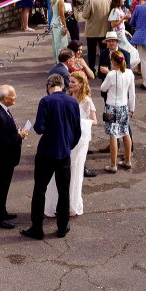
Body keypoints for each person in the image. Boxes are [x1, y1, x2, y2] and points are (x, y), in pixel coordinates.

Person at [22, 75, 82, 240]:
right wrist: (68, 145)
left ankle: (37, 228)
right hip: (64, 153)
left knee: (40, 190)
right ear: (63, 85)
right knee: (64, 192)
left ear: (49, 85)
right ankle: (62, 227)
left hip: (46, 153)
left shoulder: (46, 101)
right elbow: (77, 131)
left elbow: (39, 128)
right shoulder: (72, 102)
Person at [45, 71, 96, 218]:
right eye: (70, 81)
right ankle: (56, 204)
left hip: (80, 140)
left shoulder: (86, 100)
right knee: (61, 172)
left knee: (75, 171)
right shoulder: (67, 97)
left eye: (73, 82)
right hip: (67, 137)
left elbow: (94, 120)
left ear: (81, 83)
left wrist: (78, 123)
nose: (70, 84)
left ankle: (71, 205)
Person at [0, 85, 29, 229]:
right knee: (1, 188)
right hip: (3, 158)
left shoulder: (2, 109)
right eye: (14, 96)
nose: (16, 98)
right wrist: (19, 136)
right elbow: (3, 142)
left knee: (4, 187)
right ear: (5, 98)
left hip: (6, 158)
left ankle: (2, 211)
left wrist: (16, 131)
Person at [100, 52, 135, 173]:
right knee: (125, 132)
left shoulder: (111, 74)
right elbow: (132, 94)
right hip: (124, 107)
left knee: (113, 135)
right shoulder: (130, 73)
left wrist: (107, 73)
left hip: (111, 107)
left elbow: (103, 88)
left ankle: (113, 165)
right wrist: (132, 108)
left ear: (113, 62)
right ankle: (128, 160)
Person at [81, 0, 112, 74]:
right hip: (104, 28)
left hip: (92, 30)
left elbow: (85, 15)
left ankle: (91, 69)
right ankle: (102, 69)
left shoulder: (90, 0)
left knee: (91, 51)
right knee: (104, 51)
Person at [107, 0, 139, 69]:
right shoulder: (114, 10)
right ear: (118, 0)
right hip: (118, 34)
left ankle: (122, 65)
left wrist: (125, 18)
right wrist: (124, 18)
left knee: (124, 50)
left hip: (121, 33)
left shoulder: (119, 9)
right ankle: (125, 65)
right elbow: (113, 24)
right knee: (130, 50)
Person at [48, 0, 70, 65]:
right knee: (62, 44)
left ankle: (57, 61)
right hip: (58, 24)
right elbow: (61, 15)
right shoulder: (60, 0)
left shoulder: (53, 0)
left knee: (55, 44)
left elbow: (53, 13)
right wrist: (65, 26)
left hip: (53, 23)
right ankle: (61, 62)